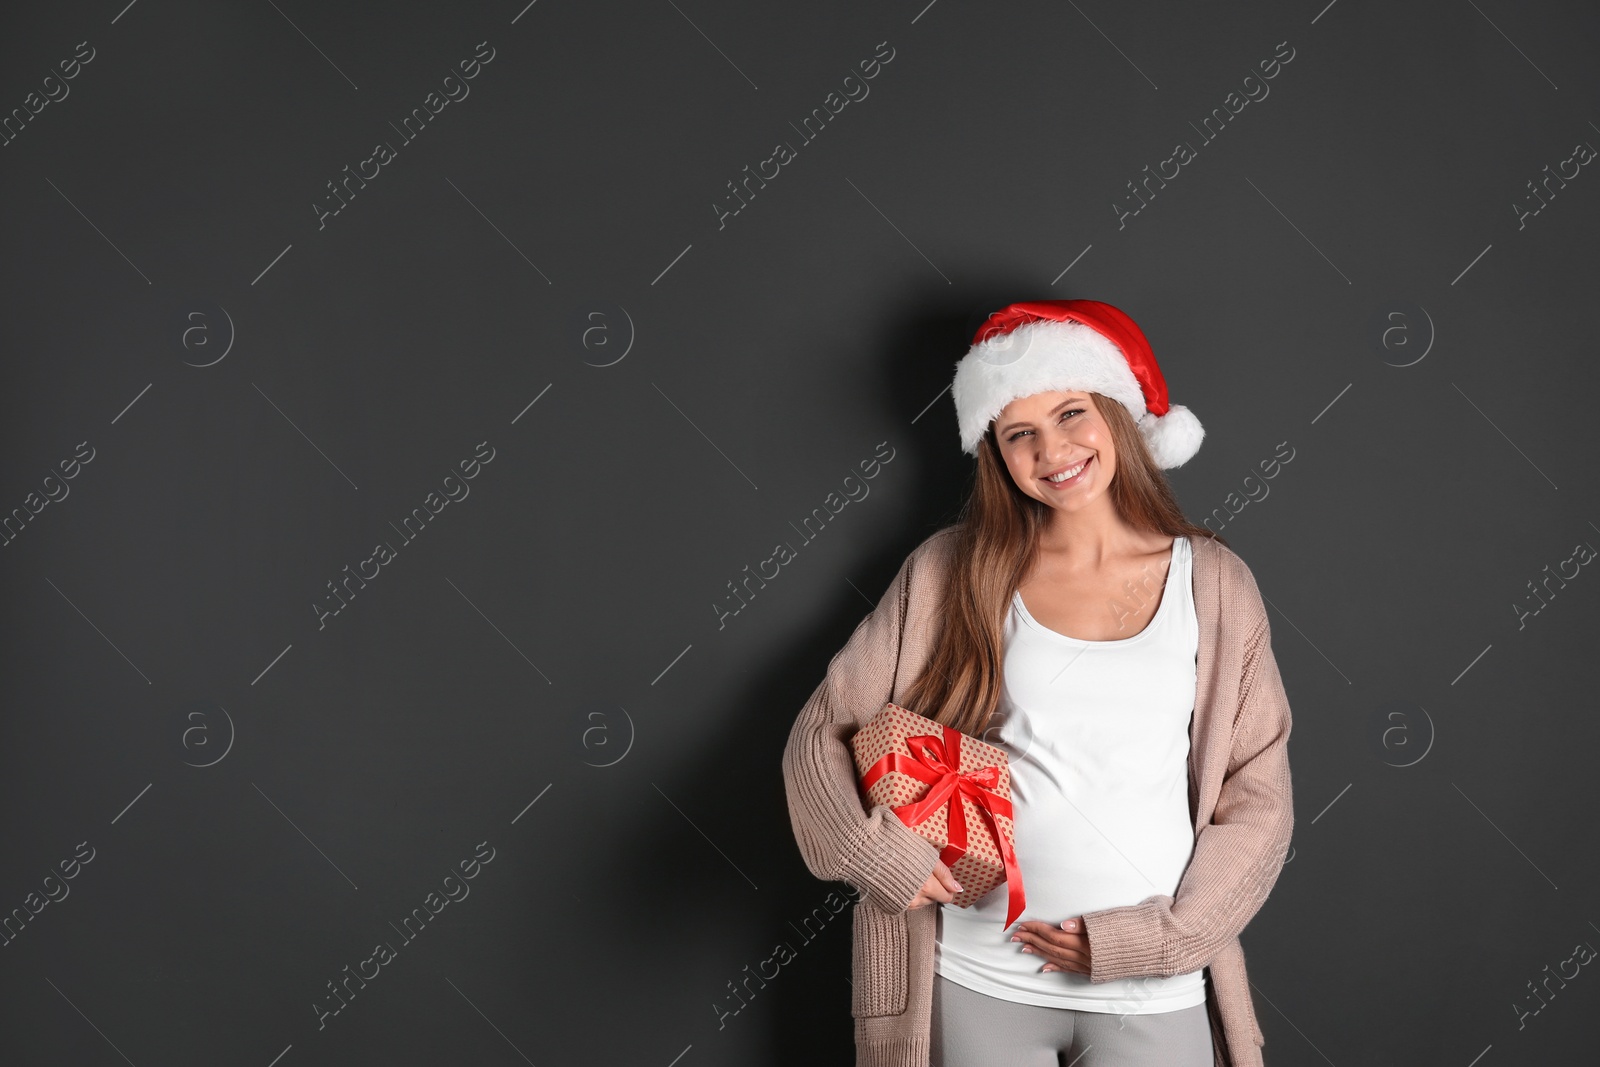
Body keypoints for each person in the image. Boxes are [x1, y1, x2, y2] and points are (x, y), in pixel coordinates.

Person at [781, 299, 1294, 1067]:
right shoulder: (954, 568)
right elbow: (821, 730)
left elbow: (1260, 799)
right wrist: (878, 854)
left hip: (1150, 986)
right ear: (996, 450)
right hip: (979, 977)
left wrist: (1154, 940)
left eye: (1071, 413)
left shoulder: (1214, 582)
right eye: (1020, 432)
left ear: (1117, 413)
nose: (1053, 449)